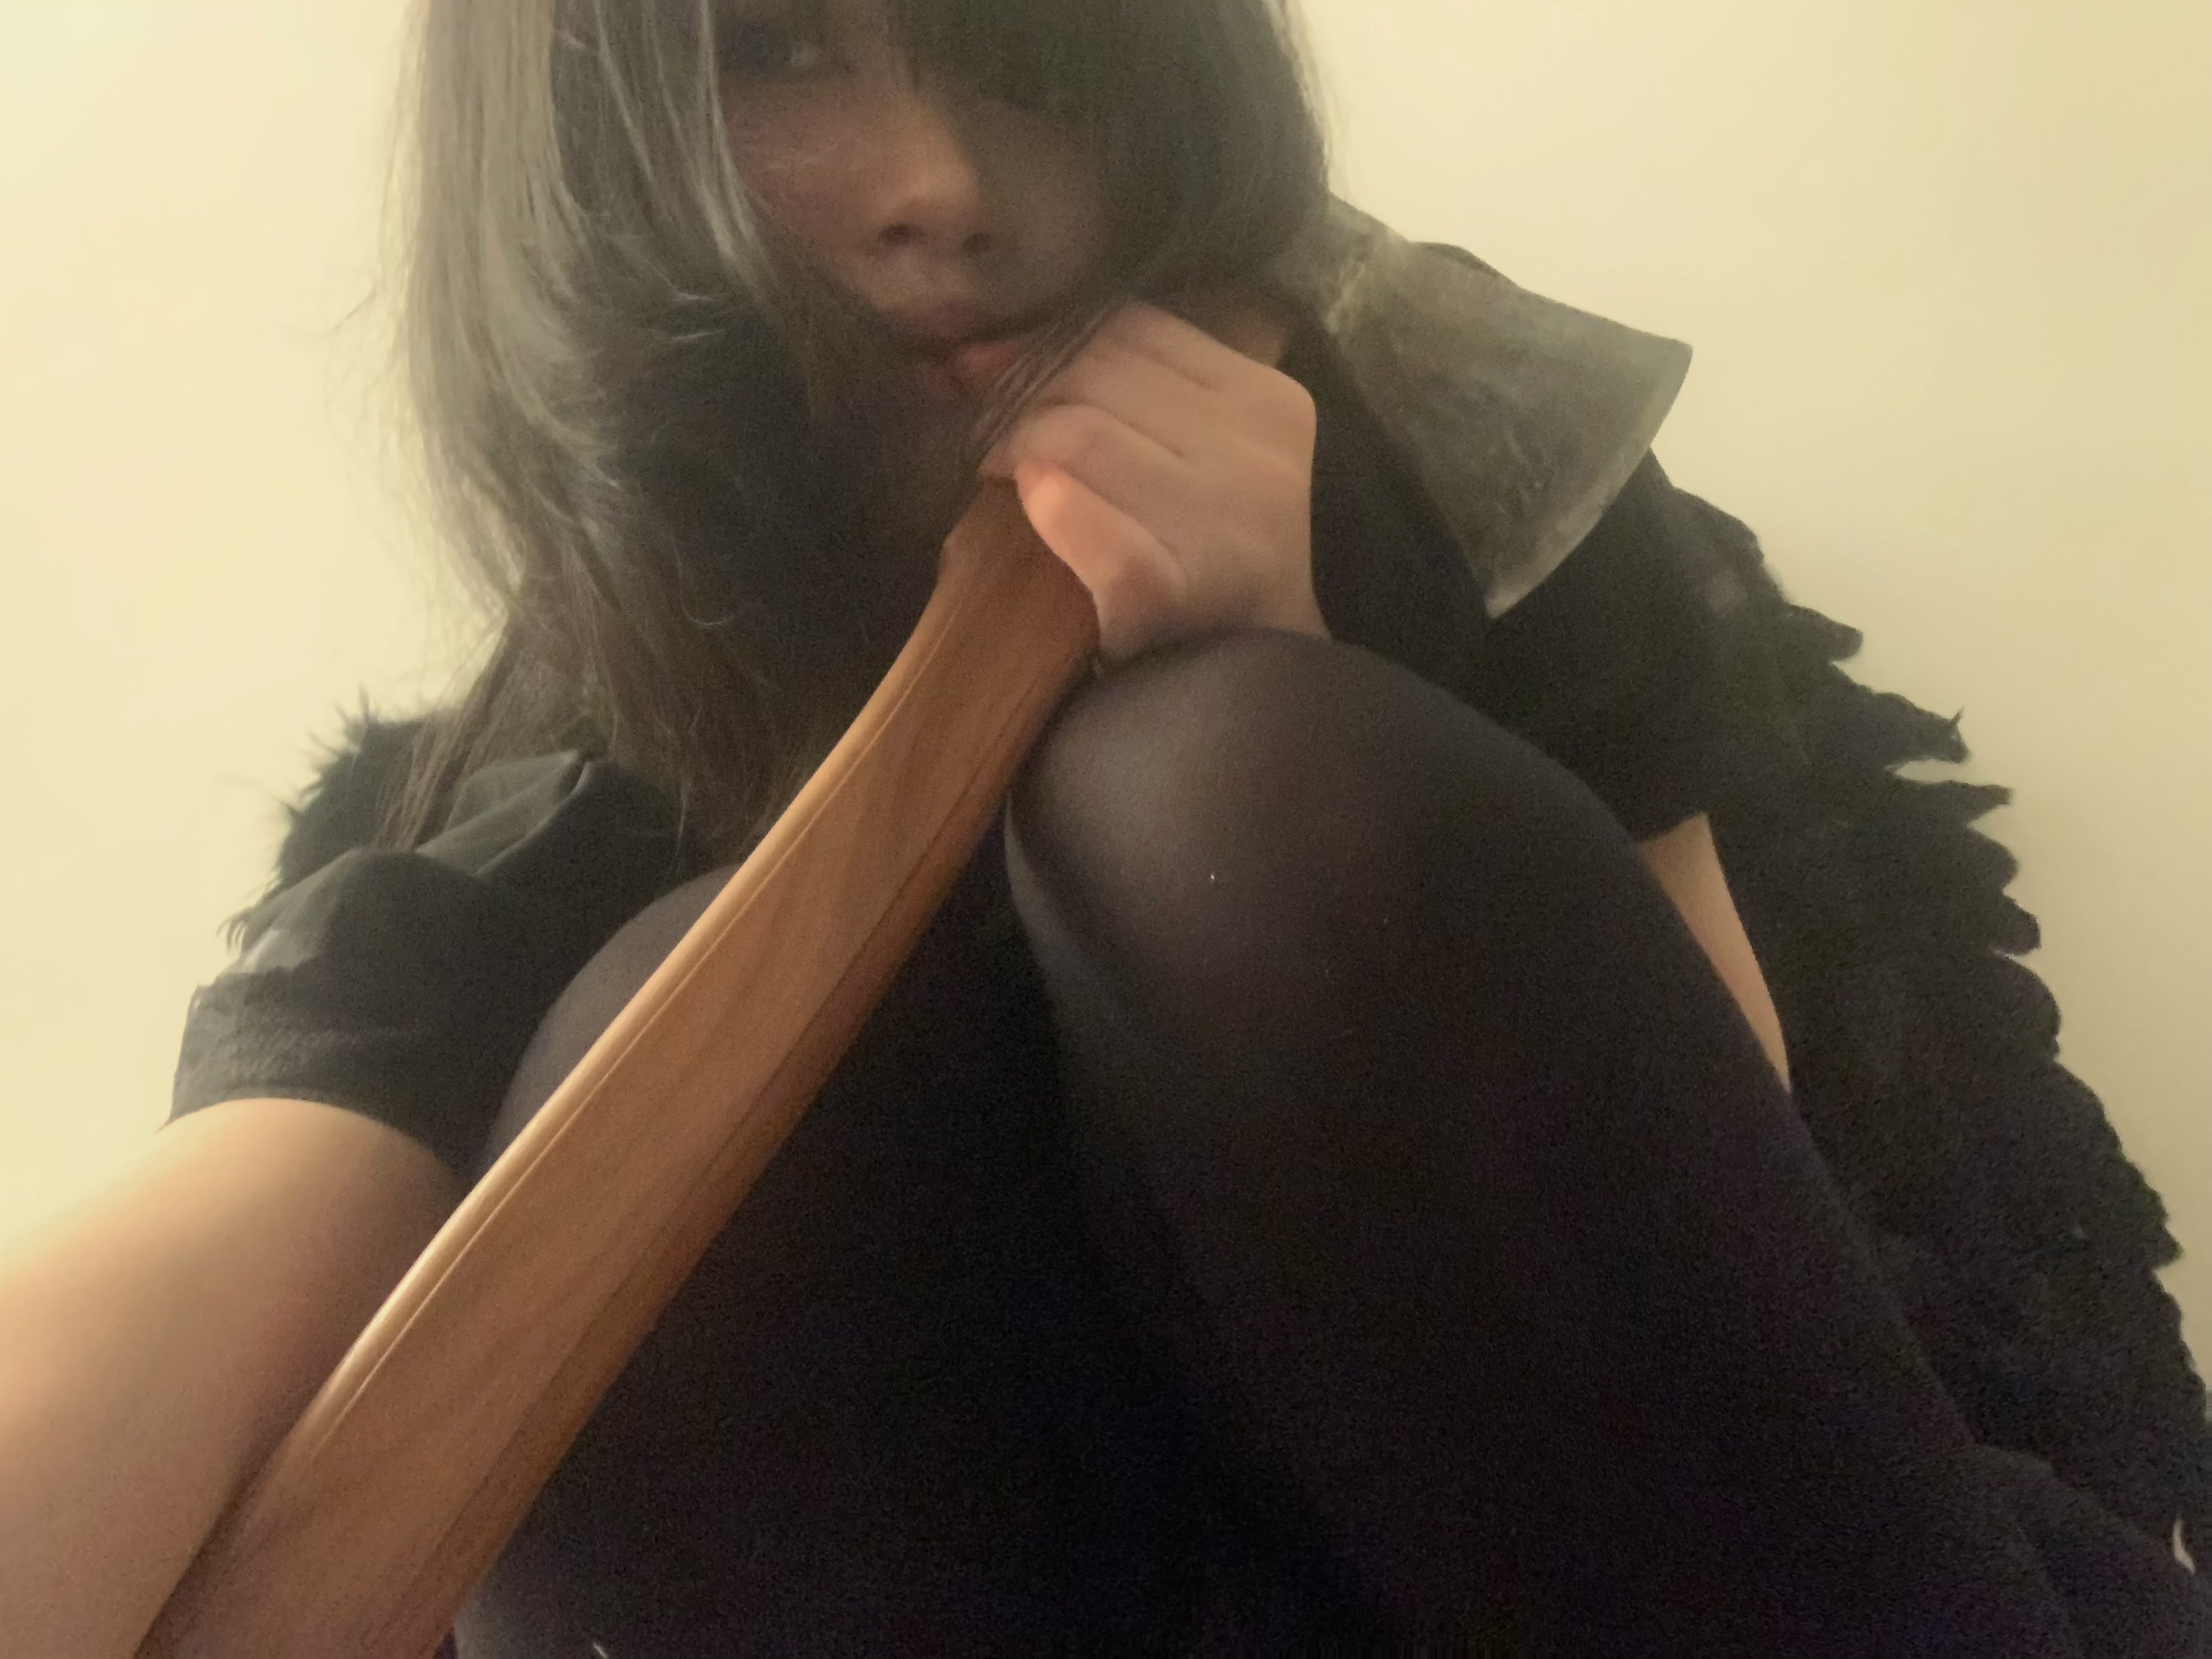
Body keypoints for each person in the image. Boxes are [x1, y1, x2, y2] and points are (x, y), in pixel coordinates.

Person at [3, 0, 2206, 1653]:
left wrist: (1305, 681)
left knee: (1229, 782)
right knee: (646, 1019)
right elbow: (268, 1185)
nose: (939, 177)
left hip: (1603, 1528)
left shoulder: (1448, 421)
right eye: (776, 51)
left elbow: (1728, 1207)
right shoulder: (543, 755)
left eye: (1021, 40)